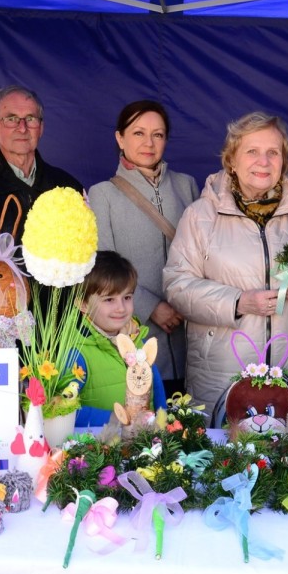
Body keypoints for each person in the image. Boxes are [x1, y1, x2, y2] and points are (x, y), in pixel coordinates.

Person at [163, 112, 288, 421]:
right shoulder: (201, 216)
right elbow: (177, 285)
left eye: (273, 152)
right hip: (220, 378)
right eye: (252, 151)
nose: (263, 162)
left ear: (284, 160)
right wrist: (238, 302)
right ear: (231, 159)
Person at [87, 100, 199, 394]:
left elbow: (204, 255)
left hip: (189, 333)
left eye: (157, 135)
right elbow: (103, 268)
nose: (149, 143)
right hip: (137, 331)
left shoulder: (187, 186)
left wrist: (187, 302)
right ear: (120, 138)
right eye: (138, 133)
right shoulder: (103, 194)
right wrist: (152, 307)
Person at [0, 84, 82, 241]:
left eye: (30, 119)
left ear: (41, 128)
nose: (22, 128)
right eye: (11, 119)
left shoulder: (67, 185)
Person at [74, 250, 167, 427]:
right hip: (98, 443)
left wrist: (163, 424)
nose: (121, 308)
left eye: (127, 297)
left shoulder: (139, 341)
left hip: (146, 441)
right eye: (109, 300)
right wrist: (116, 419)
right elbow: (64, 410)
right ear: (83, 304)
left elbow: (157, 394)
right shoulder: (77, 352)